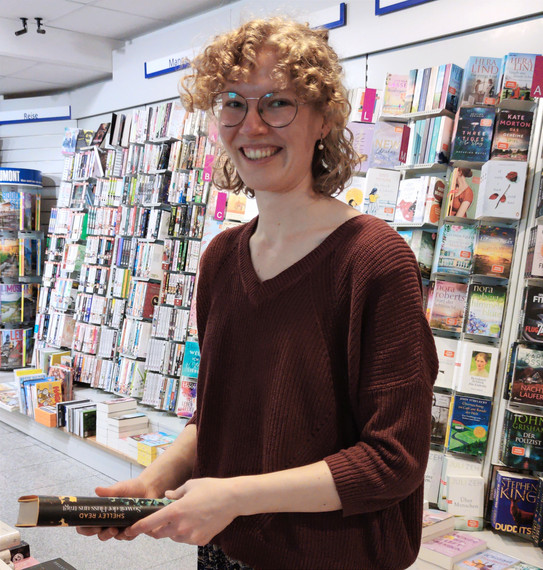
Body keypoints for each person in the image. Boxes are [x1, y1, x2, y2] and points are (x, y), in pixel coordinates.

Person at [77, 17, 438, 570]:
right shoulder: (221, 259)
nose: (253, 125)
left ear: (322, 118)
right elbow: (219, 418)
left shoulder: (374, 259)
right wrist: (155, 479)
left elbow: (393, 461)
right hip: (224, 551)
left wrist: (235, 496)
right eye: (233, 103)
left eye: (278, 103)